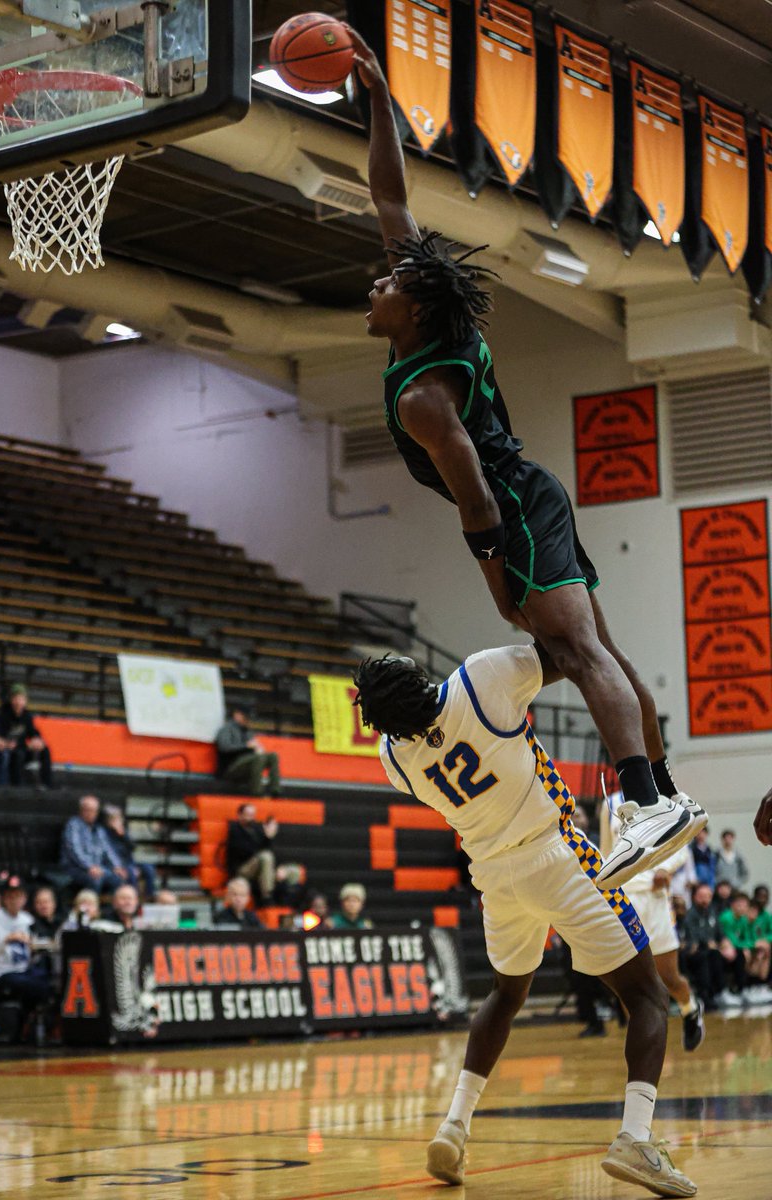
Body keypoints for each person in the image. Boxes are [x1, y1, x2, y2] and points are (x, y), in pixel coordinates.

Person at [344, 24, 706, 891]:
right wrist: (381, 104)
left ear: (414, 309)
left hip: (512, 505)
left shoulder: (425, 399)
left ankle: (646, 802)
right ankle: (662, 798)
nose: (376, 283)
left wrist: (497, 577)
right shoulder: (438, 323)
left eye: (387, 285)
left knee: (581, 656)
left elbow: (474, 502)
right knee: (602, 653)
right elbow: (391, 201)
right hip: (529, 493)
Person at [354, 647, 695, 1195]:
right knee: (648, 998)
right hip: (556, 852)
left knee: (505, 996)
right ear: (418, 678)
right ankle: (635, 1137)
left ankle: (454, 1126)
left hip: (492, 875)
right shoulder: (479, 678)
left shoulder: (394, 760)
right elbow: (571, 652)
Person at [601, 793, 704, 1051]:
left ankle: (690, 1009)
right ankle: (641, 1045)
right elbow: (605, 852)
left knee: (669, 977)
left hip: (655, 898)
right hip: (623, 898)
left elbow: (682, 845)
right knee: (629, 983)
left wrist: (664, 869)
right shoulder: (609, 804)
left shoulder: (659, 797)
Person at [0, 875, 52, 1013]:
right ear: (4, 898)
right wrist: (5, 941)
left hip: (22, 970)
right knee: (32, 986)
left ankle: (29, 1025)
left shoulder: (27, 919)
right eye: (11, 896)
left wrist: (34, 946)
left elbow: (38, 947)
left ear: (25, 899)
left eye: (18, 896)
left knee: (51, 982)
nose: (15, 900)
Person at [679, 883, 738, 1011]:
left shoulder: (712, 912)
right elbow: (693, 938)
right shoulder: (690, 915)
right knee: (709, 955)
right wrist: (708, 943)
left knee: (735, 953)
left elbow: (719, 933)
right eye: (702, 896)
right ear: (695, 897)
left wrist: (724, 941)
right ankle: (708, 994)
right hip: (693, 952)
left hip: (712, 949)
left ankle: (738, 990)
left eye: (708, 896)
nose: (705, 899)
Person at [59, 795, 127, 894]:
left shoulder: (98, 829)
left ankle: (111, 908)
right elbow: (74, 850)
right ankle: (93, 907)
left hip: (97, 869)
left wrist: (116, 866)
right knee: (96, 879)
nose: (92, 813)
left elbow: (107, 849)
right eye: (88, 810)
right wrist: (89, 867)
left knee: (118, 878)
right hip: (75, 869)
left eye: (94, 810)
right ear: (81, 810)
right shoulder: (73, 825)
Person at [0, 684, 53, 788]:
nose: (18, 702)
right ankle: (17, 786)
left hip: (22, 747)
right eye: (16, 698)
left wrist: (37, 740)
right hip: (8, 749)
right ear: (11, 700)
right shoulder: (3, 714)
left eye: (21, 699)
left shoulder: (27, 716)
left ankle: (47, 784)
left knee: (45, 750)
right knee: (18, 754)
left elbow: (33, 731)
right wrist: (5, 743)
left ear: (25, 701)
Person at [215, 709, 280, 796]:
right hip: (230, 767)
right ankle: (256, 791)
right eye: (245, 717)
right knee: (259, 758)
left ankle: (275, 790)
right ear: (236, 715)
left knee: (273, 756)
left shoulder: (247, 731)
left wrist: (258, 749)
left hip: (247, 763)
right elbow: (224, 747)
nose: (247, 720)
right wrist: (246, 746)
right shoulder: (226, 729)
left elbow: (253, 748)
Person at [101, 804, 157, 900]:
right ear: (108, 821)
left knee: (149, 868)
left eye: (119, 819)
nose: (118, 821)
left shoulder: (123, 832)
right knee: (130, 872)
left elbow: (133, 847)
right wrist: (116, 867)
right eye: (114, 819)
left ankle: (150, 896)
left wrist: (123, 836)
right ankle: (133, 899)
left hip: (130, 863)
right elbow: (107, 853)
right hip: (116, 865)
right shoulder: (103, 833)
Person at [226, 803, 278, 903]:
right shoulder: (234, 830)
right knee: (265, 857)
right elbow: (244, 851)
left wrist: (269, 837)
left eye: (252, 815)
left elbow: (267, 849)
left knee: (293, 871)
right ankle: (267, 896)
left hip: (257, 866)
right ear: (240, 815)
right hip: (241, 868)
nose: (251, 818)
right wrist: (263, 841)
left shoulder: (256, 829)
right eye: (248, 815)